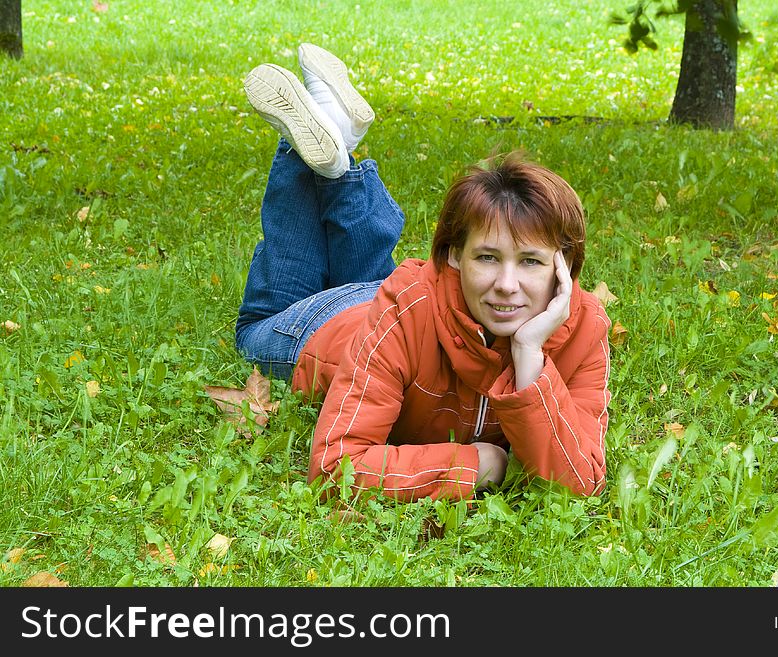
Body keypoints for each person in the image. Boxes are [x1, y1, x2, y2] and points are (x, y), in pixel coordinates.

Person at [235, 44, 611, 501]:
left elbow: (580, 482)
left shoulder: (585, 328)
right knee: (256, 327)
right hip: (325, 324)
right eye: (487, 257)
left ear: (563, 267)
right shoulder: (408, 306)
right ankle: (303, 150)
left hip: (388, 300)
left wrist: (529, 353)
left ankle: (338, 141)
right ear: (453, 256)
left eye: (530, 262)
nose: (507, 286)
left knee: (386, 286)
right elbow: (336, 467)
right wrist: (471, 464)